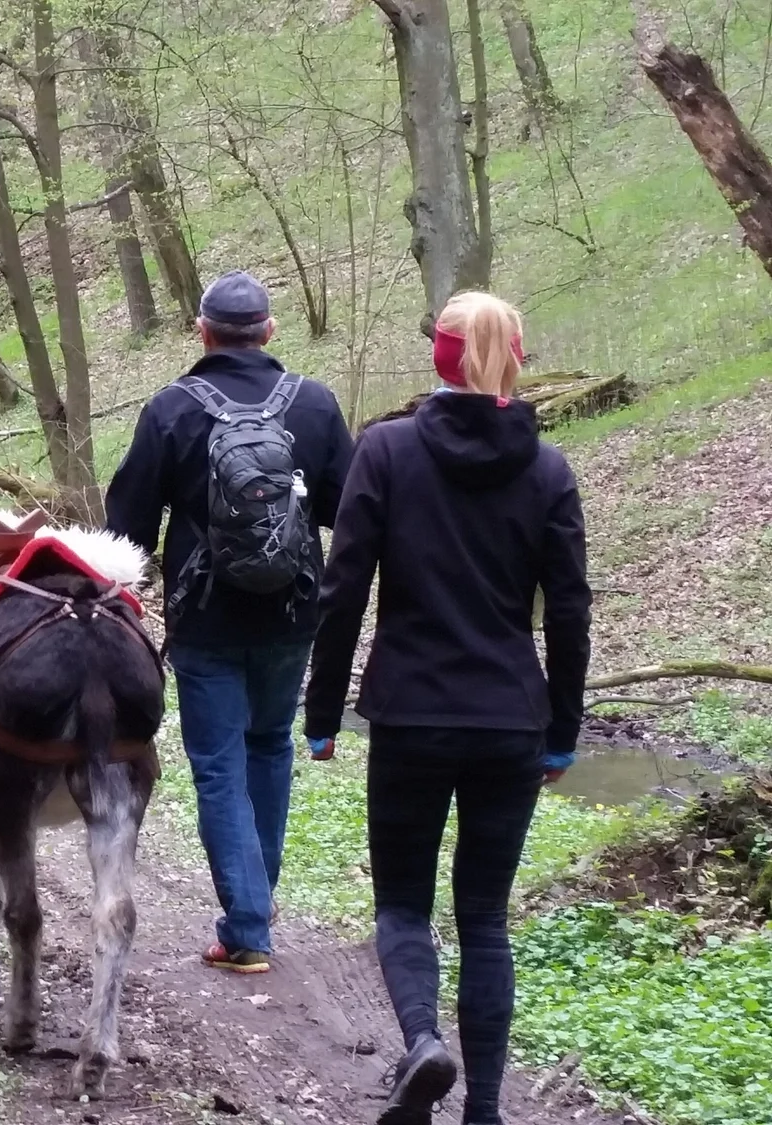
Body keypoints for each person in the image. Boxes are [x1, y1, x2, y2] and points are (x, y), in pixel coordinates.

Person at [302, 291, 591, 1125]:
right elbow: (570, 610)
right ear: (516, 359)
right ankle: (486, 1110)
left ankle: (424, 1043)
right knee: (486, 918)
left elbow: (343, 589)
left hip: (411, 714)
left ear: (441, 357)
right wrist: (562, 730)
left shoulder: (386, 451)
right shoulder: (549, 469)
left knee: (403, 904)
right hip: (511, 719)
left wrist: (322, 713)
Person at [104, 270, 354, 974]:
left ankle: (247, 925)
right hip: (293, 612)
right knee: (270, 746)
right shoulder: (314, 404)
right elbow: (349, 509)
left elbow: (126, 530)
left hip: (206, 618)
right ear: (269, 330)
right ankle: (253, 905)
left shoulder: (170, 410)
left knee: (218, 765)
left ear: (202, 332)